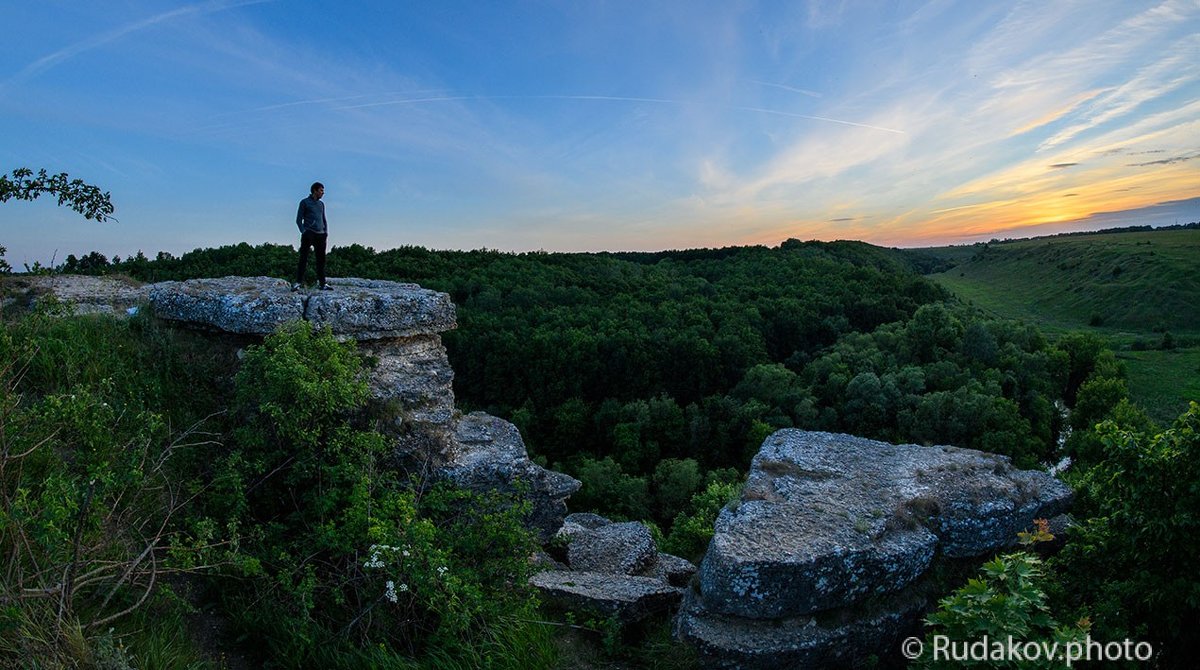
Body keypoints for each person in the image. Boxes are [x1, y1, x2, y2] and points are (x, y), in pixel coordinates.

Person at [294, 181, 331, 291]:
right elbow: (298, 220)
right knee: (303, 258)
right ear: (315, 190)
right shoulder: (304, 202)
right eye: (321, 190)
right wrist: (303, 231)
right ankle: (298, 282)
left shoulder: (321, 204)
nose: (323, 193)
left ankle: (322, 283)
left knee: (321, 260)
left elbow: (323, 218)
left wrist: (326, 232)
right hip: (309, 233)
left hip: (321, 235)